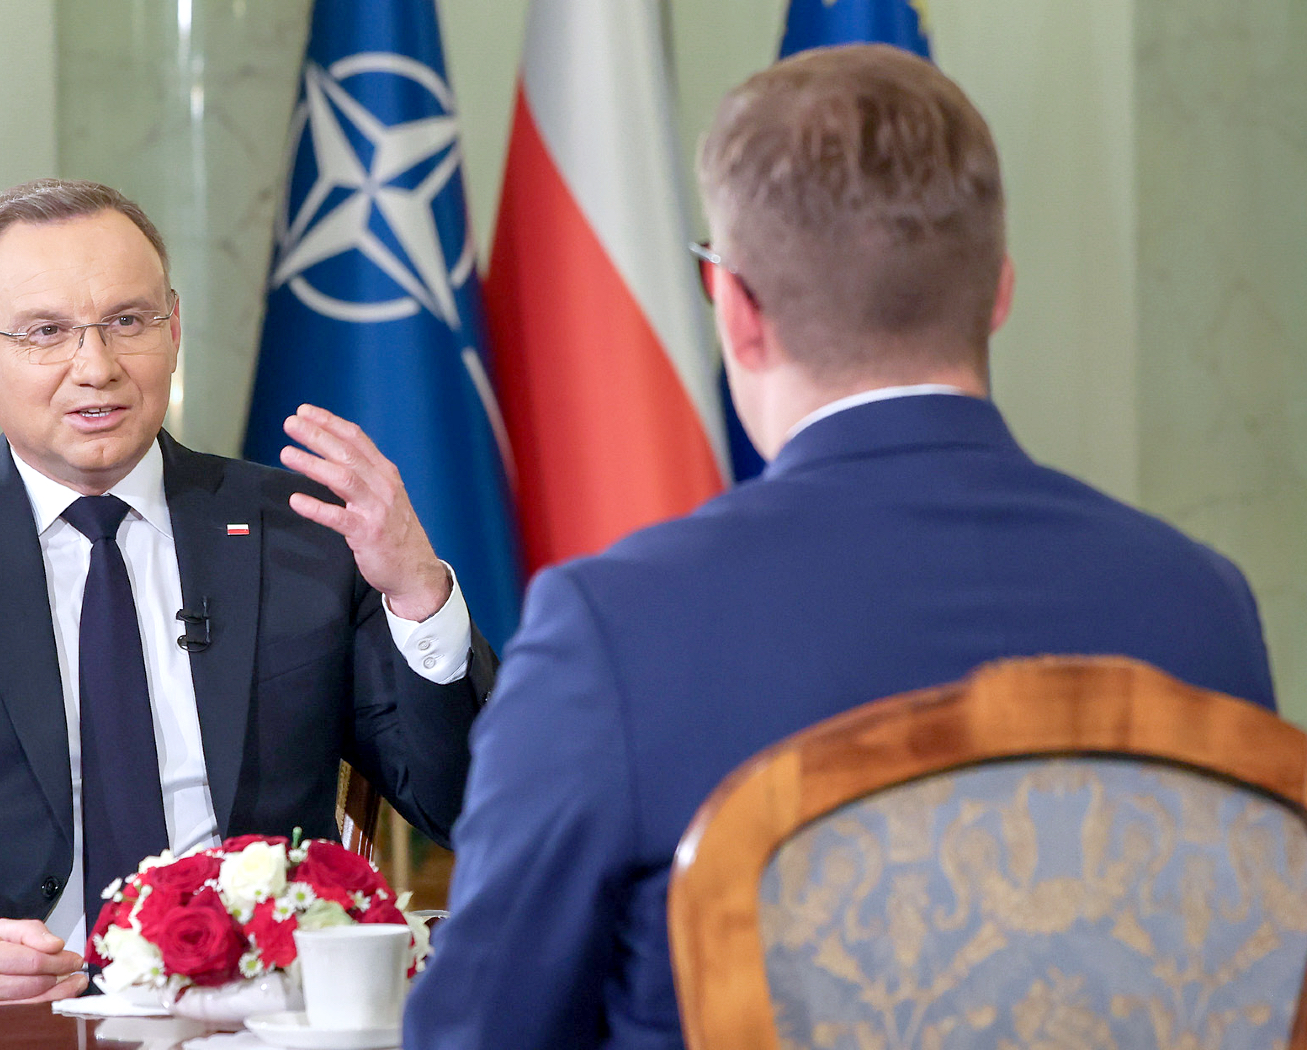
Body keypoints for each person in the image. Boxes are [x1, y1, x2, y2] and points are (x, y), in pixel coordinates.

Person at [403, 44, 1274, 1050]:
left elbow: (476, 1034)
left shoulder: (615, 632)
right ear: (997, 292)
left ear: (736, 312)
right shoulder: (1203, 607)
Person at [0, 179, 494, 1015]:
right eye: (46, 332)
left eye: (128, 321)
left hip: (254, 1008)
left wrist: (419, 594)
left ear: (172, 330)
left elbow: (466, 804)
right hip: (3, 1016)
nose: (96, 367)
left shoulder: (302, 532)